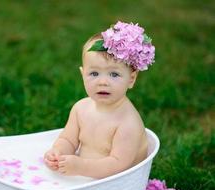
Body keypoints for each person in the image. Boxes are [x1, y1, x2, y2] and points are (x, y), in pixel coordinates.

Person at [44, 21, 155, 179]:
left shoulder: (128, 123)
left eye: (114, 75)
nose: (102, 82)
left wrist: (81, 167)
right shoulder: (80, 109)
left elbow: (118, 165)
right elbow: (68, 139)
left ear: (131, 79)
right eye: (94, 74)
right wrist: (58, 152)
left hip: (114, 185)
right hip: (81, 176)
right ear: (83, 75)